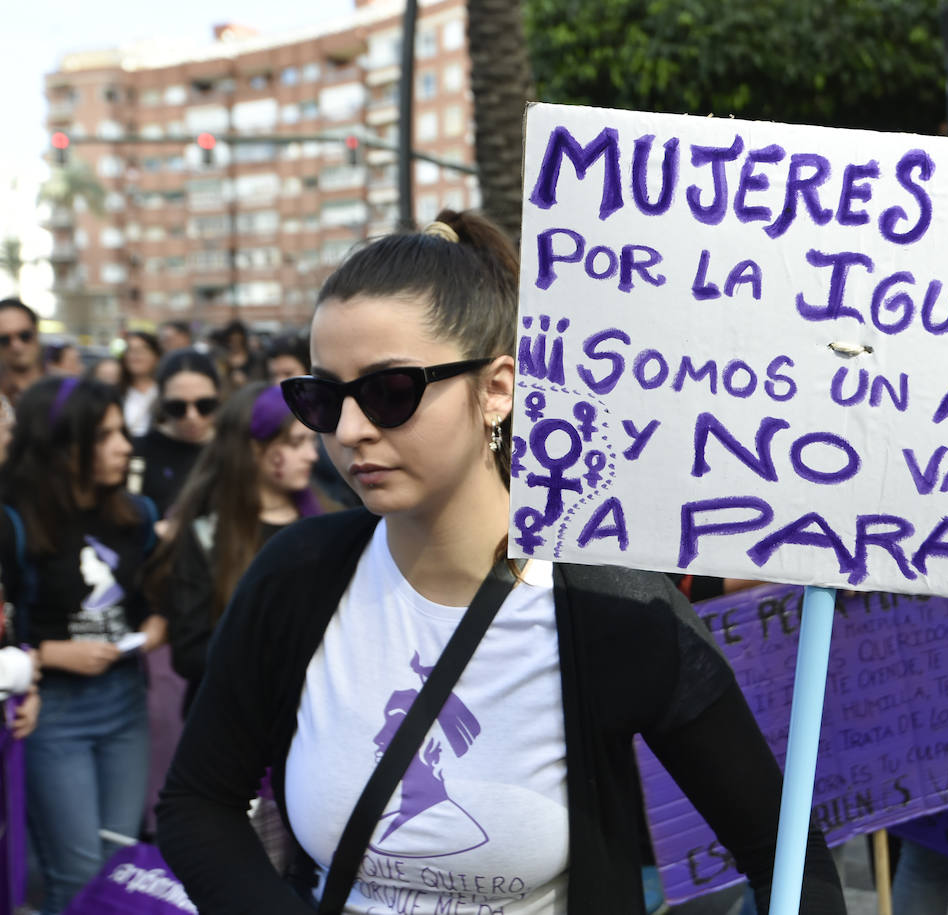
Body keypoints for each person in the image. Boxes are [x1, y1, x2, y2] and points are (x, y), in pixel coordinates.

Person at [157, 211, 844, 913]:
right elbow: (196, 803)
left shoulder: (613, 607)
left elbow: (787, 859)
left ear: (497, 388)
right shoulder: (296, 576)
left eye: (391, 392)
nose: (352, 429)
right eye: (323, 397)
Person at [0, 376, 166, 914]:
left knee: (118, 864)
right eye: (105, 435)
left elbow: (150, 598)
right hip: (52, 710)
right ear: (63, 444)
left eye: (123, 431)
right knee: (74, 873)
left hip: (123, 701)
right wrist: (47, 653)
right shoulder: (13, 521)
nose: (125, 445)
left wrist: (157, 624)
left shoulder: (136, 513)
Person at [152, 382, 322, 708]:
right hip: (232, 724)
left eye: (312, 441)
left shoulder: (327, 520)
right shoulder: (206, 535)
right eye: (296, 442)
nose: (312, 455)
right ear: (254, 449)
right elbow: (189, 655)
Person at [130, 348, 222, 517]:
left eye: (204, 405)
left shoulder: (236, 449)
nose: (192, 416)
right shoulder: (137, 451)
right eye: (177, 408)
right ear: (162, 402)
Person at [120, 331, 163, 439]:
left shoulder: (166, 391)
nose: (135, 355)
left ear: (156, 356)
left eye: (142, 350)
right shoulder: (115, 392)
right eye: (130, 350)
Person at [0, 297, 43, 402]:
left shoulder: (66, 388)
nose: (16, 346)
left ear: (36, 333)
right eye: (5, 340)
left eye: (24, 336)